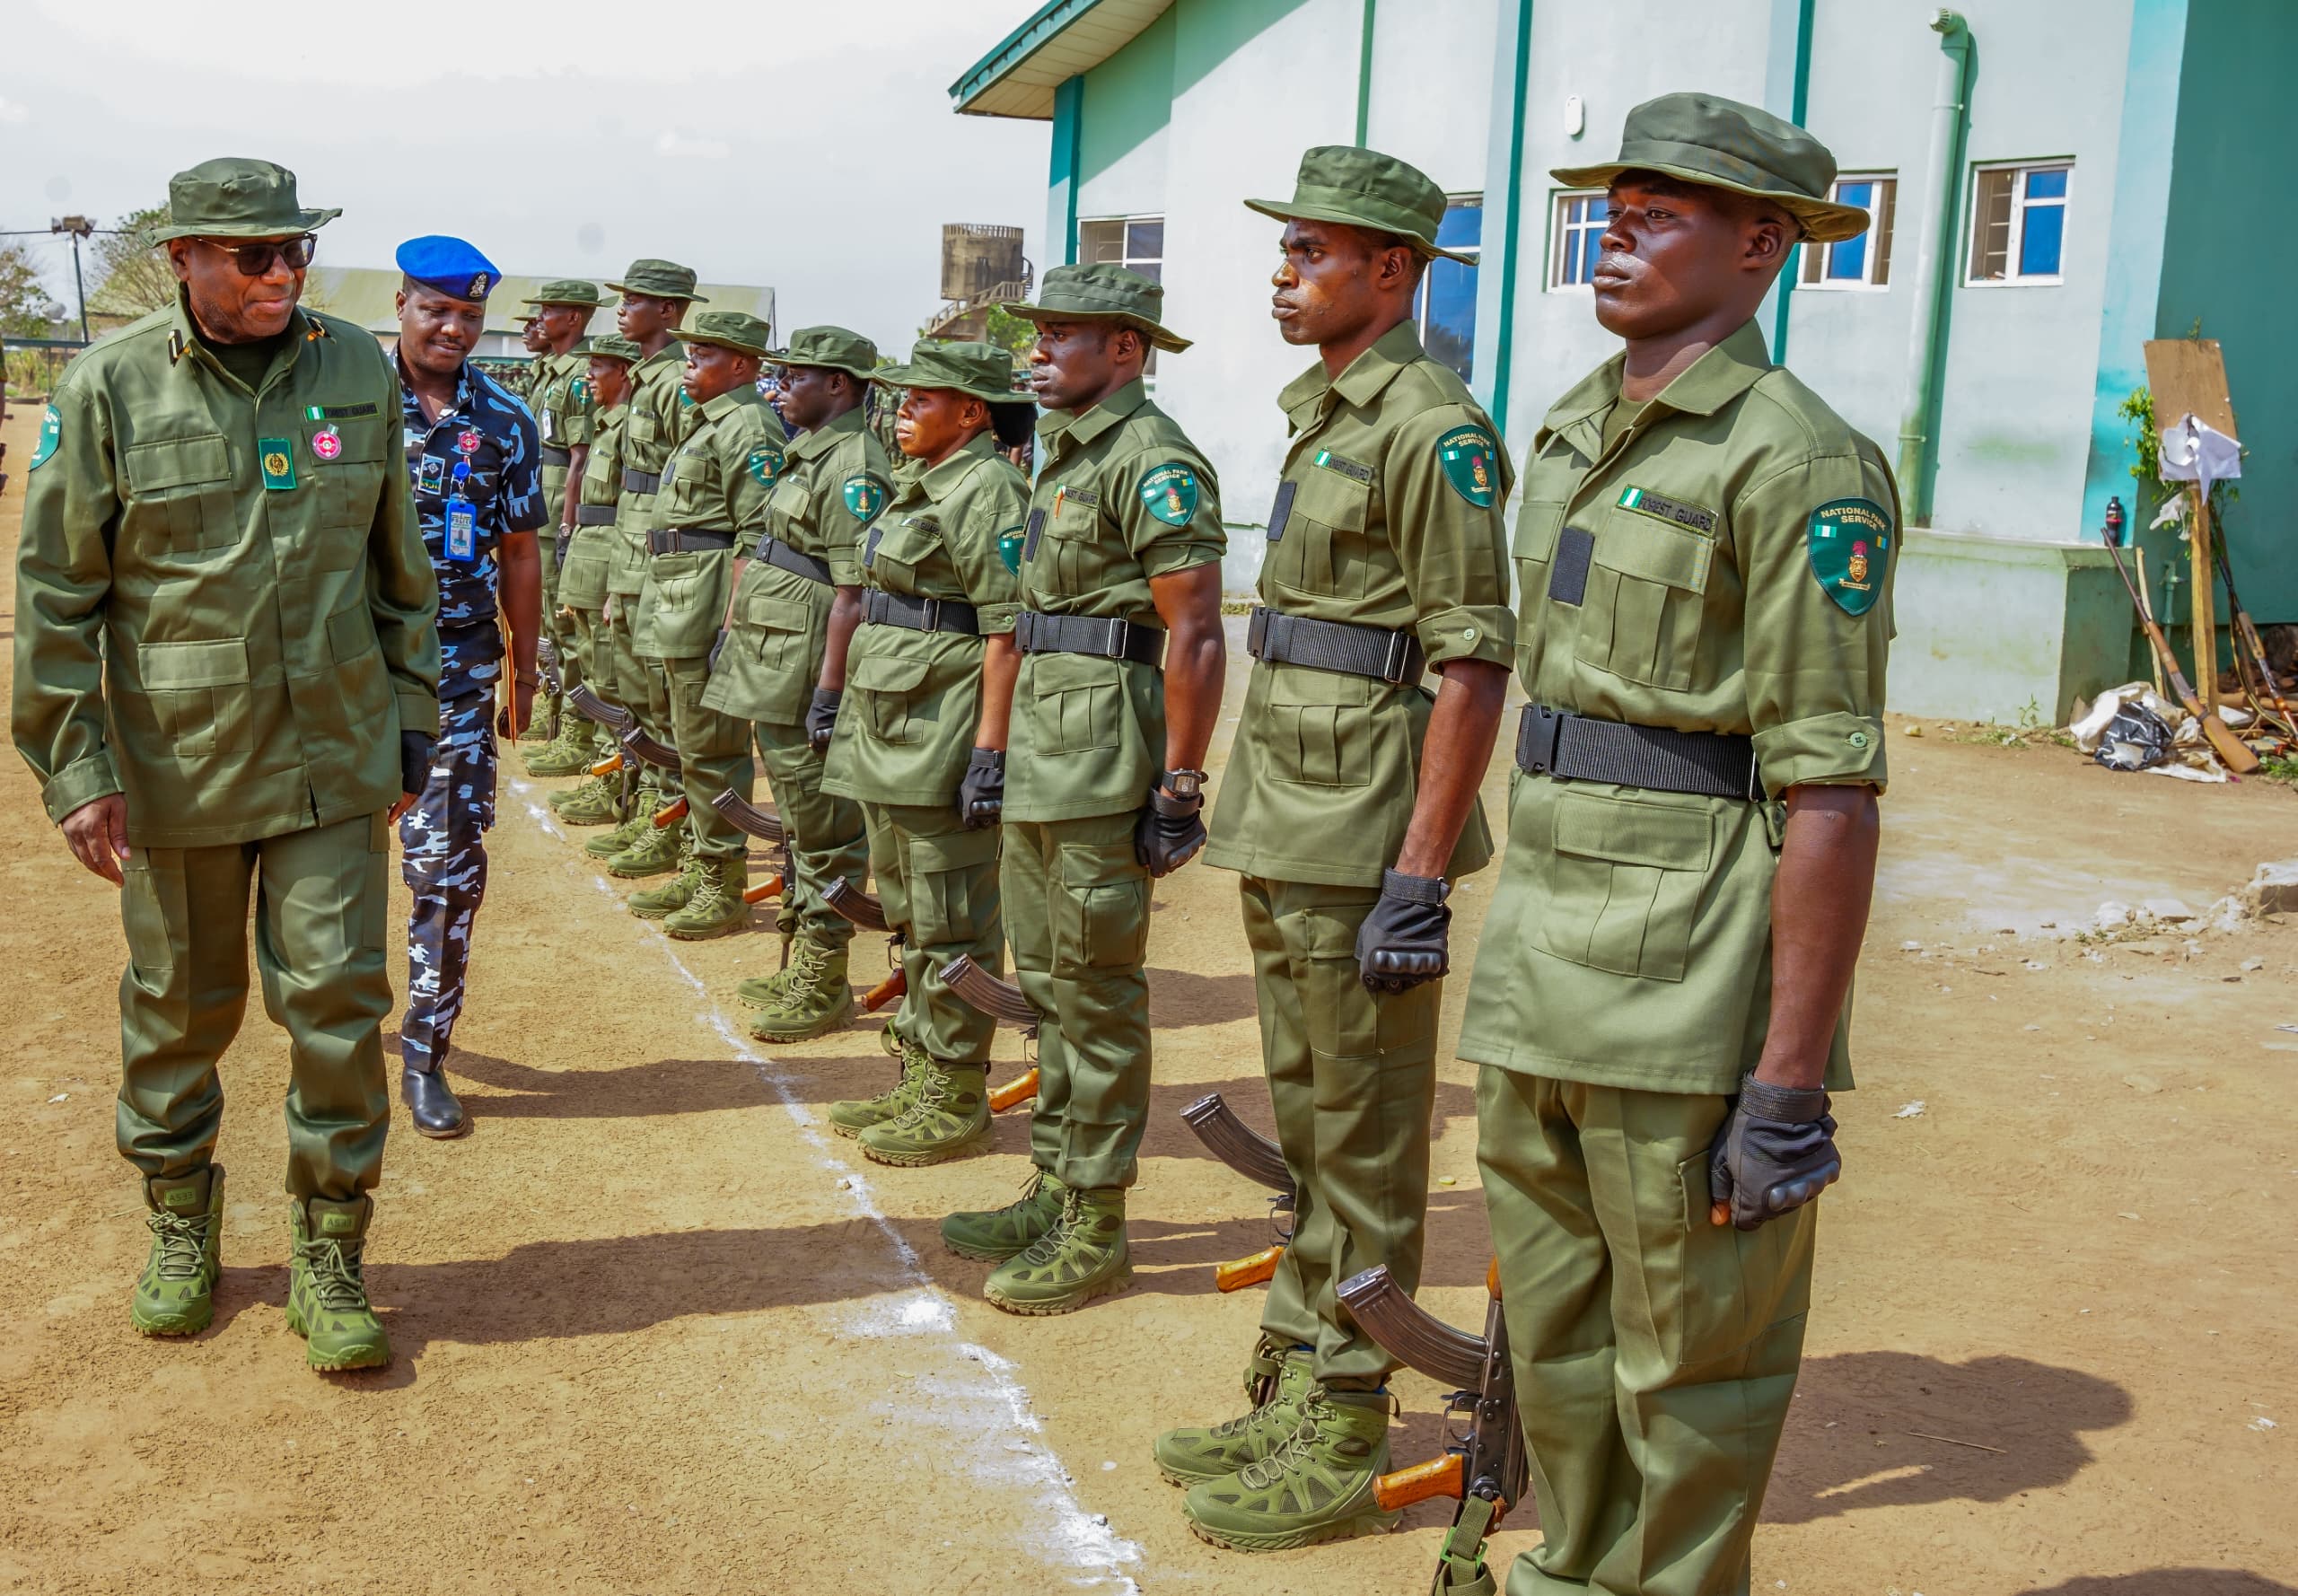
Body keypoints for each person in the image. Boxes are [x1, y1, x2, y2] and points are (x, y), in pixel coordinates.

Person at [1454, 93, 1893, 1596]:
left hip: (1685, 978)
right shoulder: (1578, 422)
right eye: (1613, 205)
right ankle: (1569, 1573)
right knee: (1561, 1340)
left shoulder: (1797, 463)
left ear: (1763, 243)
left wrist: (1785, 1079)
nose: (1619, 230)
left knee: (1693, 1366)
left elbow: (1828, 787)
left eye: (1663, 210)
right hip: (1547, 954)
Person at [12, 158, 438, 1372]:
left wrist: (414, 712)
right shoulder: (108, 389)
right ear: (183, 257)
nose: (282, 272)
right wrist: (76, 762)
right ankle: (180, 1224)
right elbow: (56, 595)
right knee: (180, 1011)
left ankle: (329, 1243)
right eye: (254, 254)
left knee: (340, 1006)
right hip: (180, 761)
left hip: (336, 753)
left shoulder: (356, 369)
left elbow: (396, 557)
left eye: (294, 248)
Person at [1166, 145, 1517, 1553]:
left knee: (1366, 1140)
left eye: (1311, 252)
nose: (1283, 274)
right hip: (1294, 815)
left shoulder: (1433, 428)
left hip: (1365, 835)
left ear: (1391, 269)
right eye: (1286, 250)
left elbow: (1471, 662)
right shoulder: (1331, 413)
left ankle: (1350, 1410)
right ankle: (1305, 1369)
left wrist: (1421, 876)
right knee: (1313, 1122)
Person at [936, 264, 1226, 1316]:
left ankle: (1098, 1221)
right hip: (1052, 749)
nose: (1040, 349)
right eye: (1039, 332)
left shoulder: (1151, 460)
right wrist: (996, 746)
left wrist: (1180, 786)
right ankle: (1056, 1186)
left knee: (1097, 991)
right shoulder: (1065, 456)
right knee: (1052, 983)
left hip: (1105, 751)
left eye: (1066, 334)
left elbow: (1193, 633)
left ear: (1126, 350)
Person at [819, 340, 1031, 1165]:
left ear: (972, 411)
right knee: (911, 911)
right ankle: (921, 1063)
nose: (901, 409)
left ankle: (956, 1090)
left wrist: (991, 752)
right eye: (900, 396)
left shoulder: (989, 490)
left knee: (954, 917)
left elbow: (1006, 632)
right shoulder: (923, 484)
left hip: (941, 730)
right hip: (893, 726)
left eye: (921, 397)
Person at [390, 236, 545, 1140]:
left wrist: (526, 667)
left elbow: (519, 550)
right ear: (404, 306)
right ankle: (326, 1033)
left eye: (469, 316)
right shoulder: (344, 404)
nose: (453, 328)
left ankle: (423, 1052)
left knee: (447, 872)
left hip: (455, 671)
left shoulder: (505, 421)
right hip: (344, 675)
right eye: (436, 310)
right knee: (310, 865)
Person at [701, 325, 890, 1040]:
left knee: (825, 829)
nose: (780, 389)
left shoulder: (854, 465)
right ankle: (802, 953)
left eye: (797, 377)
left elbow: (853, 591)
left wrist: (830, 691)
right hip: (774, 656)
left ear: (838, 385)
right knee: (800, 823)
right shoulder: (809, 451)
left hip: (805, 663)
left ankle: (824, 975)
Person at [624, 310, 782, 938]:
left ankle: (723, 880)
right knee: (691, 746)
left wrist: (731, 626)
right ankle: (701, 859)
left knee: (714, 751)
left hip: (708, 602)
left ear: (741, 365)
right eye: (687, 355)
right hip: (679, 594)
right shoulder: (709, 420)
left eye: (703, 356)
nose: (688, 366)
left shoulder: (748, 425)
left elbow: (758, 536)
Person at [589, 259, 704, 881]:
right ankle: (652, 810)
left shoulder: (677, 381)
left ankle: (674, 826)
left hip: (659, 554)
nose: (621, 311)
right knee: (635, 689)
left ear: (668, 311)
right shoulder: (647, 375)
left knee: (662, 701)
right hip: (631, 549)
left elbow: (686, 481)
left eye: (635, 301)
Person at [548, 334, 644, 827]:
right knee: (590, 660)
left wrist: (617, 584)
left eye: (599, 367)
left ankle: (618, 785)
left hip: (611, 551)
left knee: (609, 674)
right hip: (592, 541)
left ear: (624, 373)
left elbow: (634, 510)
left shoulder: (630, 428)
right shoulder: (608, 423)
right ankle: (607, 773)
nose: (588, 376)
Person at [514, 279, 602, 767]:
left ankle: (577, 731)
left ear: (574, 318)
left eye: (547, 312)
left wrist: (569, 525)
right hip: (539, 501)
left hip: (556, 509)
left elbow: (581, 457)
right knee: (546, 619)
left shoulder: (578, 376)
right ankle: (552, 714)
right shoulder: (552, 370)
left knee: (566, 626)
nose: (538, 320)